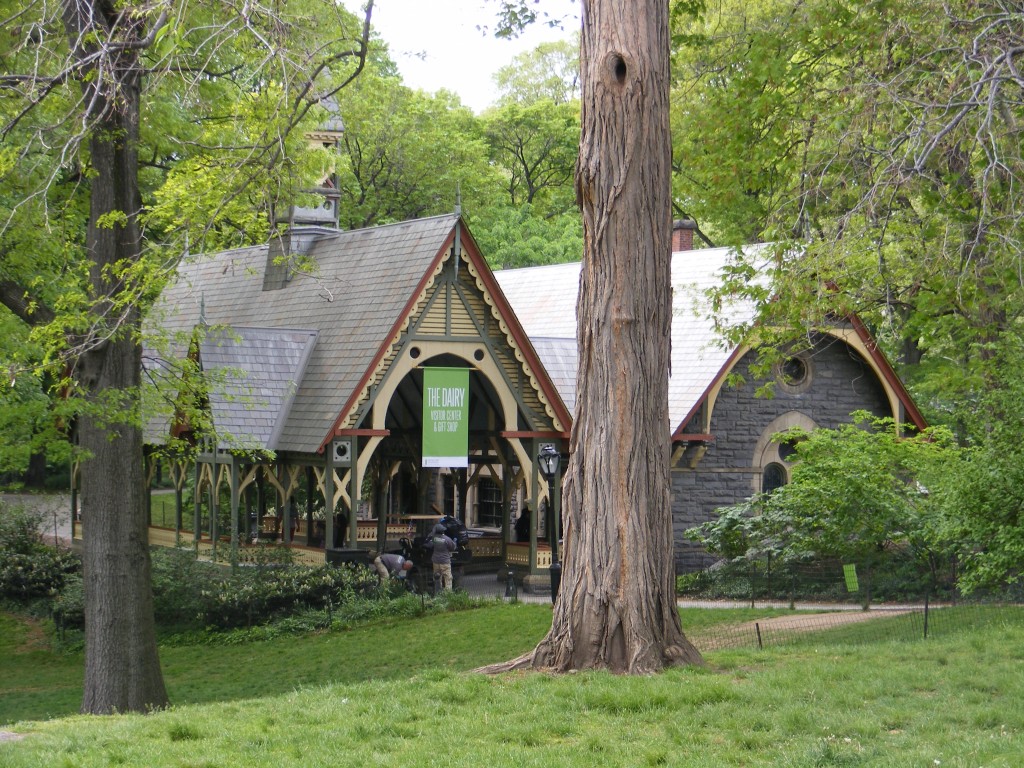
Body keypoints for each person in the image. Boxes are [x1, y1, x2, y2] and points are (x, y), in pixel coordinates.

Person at [425, 523, 456, 591]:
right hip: (445, 561)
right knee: (448, 578)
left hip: (435, 561)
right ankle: (448, 594)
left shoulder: (434, 538)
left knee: (437, 578)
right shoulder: (447, 539)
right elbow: (452, 548)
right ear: (443, 531)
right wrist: (454, 542)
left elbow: (429, 545)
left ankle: (438, 592)